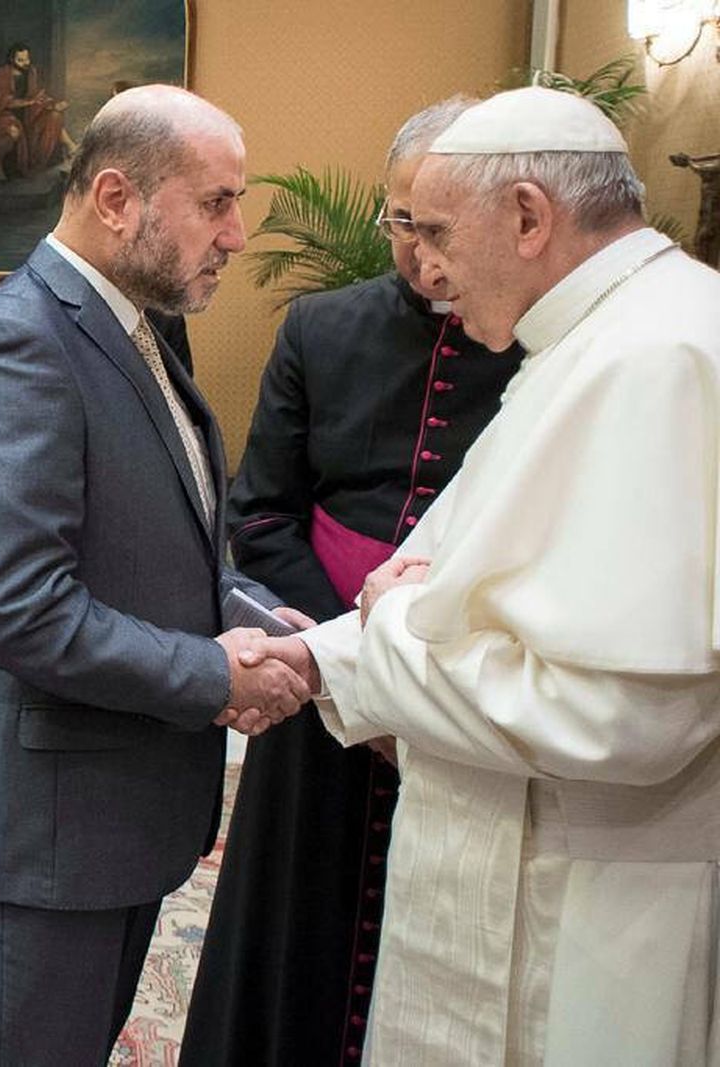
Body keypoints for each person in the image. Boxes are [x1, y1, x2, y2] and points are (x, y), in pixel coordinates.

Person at [250, 87, 720, 1064]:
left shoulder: (660, 356)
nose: (429, 268)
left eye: (438, 232)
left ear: (526, 216)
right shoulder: (582, 342)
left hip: (587, 918)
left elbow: (622, 713)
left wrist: (385, 632)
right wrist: (319, 651)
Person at [0, 85, 311, 1066]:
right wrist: (218, 674)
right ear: (114, 196)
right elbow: (17, 609)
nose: (237, 232)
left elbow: (165, 544)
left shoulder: (139, 326)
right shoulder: (17, 343)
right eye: (217, 201)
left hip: (118, 804)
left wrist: (264, 615)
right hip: (49, 826)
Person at [180, 98, 524, 1066]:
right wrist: (348, 661)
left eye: (438, 226)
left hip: (467, 687)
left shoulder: (550, 346)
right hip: (322, 672)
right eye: (400, 221)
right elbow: (259, 512)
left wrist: (412, 671)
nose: (418, 251)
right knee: (305, 913)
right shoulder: (321, 328)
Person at [0, 43, 78, 182]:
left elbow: (35, 95)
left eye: (27, 59)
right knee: (13, 130)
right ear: (12, 60)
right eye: (20, 60)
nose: (25, 63)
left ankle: (70, 146)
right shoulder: (2, 74)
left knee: (54, 116)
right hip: (2, 115)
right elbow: (2, 102)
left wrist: (53, 104)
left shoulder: (31, 73)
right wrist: (29, 102)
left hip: (27, 115)